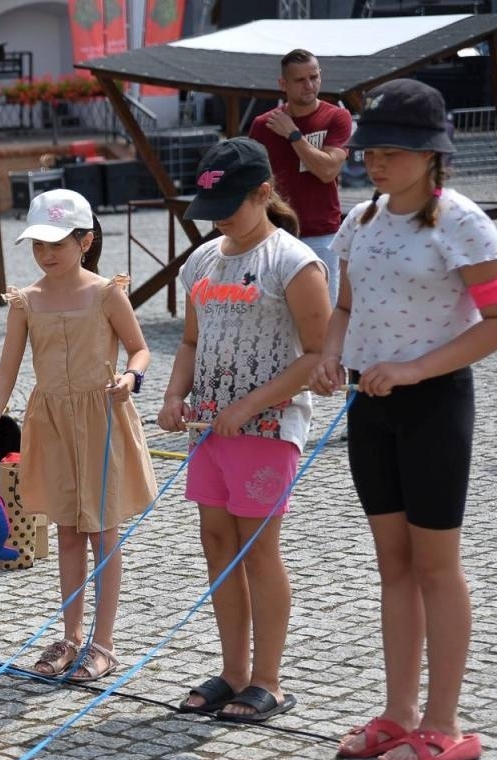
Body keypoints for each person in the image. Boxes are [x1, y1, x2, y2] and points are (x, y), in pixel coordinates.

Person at [314, 80, 497, 760]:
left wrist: (414, 370)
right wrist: (329, 354)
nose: (376, 162)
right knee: (393, 565)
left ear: (433, 156)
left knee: (437, 566)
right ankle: (398, 712)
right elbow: (343, 308)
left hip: (434, 406)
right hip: (369, 409)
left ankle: (444, 722)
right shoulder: (359, 221)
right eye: (371, 149)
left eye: (395, 151)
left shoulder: (463, 222)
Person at [156, 138, 330, 724]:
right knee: (218, 546)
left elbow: (318, 354)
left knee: (258, 550)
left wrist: (251, 404)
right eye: (211, 207)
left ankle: (269, 680)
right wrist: (175, 394)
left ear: (263, 193)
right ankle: (233, 671)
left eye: (231, 203)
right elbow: (189, 342)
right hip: (210, 430)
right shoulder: (202, 262)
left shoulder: (294, 262)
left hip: (268, 427)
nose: (218, 217)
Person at [0, 191, 157, 682]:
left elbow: (140, 350)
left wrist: (130, 379)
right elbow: (6, 371)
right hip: (51, 421)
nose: (47, 253)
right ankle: (71, 635)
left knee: (103, 532)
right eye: (38, 243)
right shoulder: (26, 302)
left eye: (57, 242)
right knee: (68, 533)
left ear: (86, 241)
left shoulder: (106, 293)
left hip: (101, 417)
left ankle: (103, 642)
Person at [249, 50, 351, 297]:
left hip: (321, 234)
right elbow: (252, 180)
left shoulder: (337, 117)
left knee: (322, 317)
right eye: (300, 80)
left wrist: (294, 135)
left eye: (314, 77)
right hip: (274, 234)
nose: (309, 85)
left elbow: (327, 171)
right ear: (282, 84)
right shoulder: (263, 125)